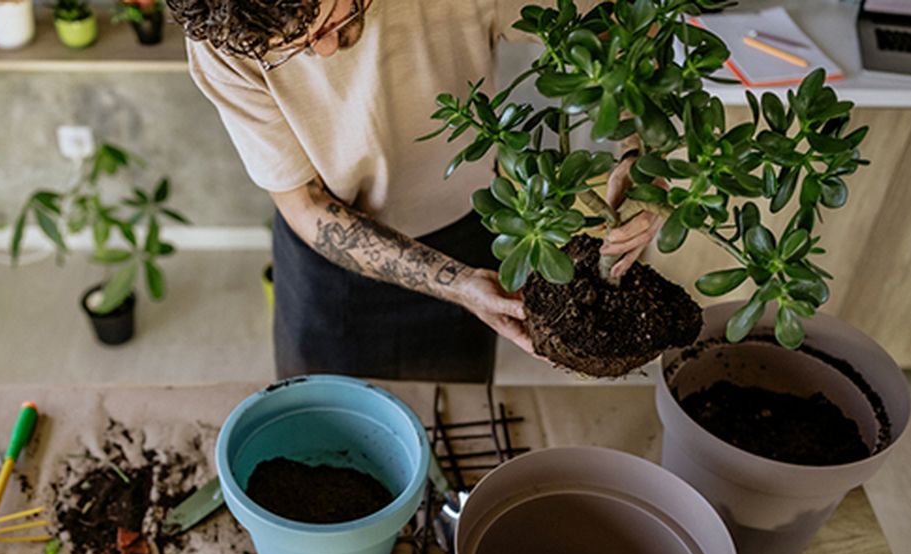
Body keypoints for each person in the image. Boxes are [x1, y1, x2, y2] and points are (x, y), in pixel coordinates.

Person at [168, 0, 663, 382]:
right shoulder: (223, 40)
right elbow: (304, 202)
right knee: (327, 425)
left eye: (325, 22)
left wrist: (641, 154)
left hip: (472, 225)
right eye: (291, 50)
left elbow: (615, 31)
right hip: (329, 261)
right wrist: (455, 284)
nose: (321, 50)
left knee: (455, 407)